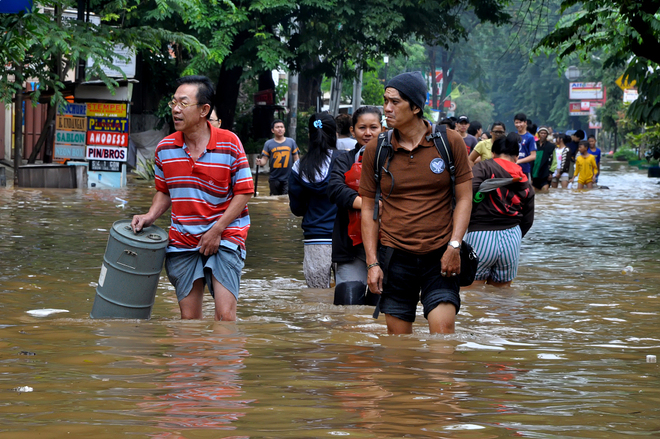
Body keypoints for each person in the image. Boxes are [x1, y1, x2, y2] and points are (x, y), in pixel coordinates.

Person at [131, 75, 253, 321]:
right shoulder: (164, 149)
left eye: (183, 103)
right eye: (173, 103)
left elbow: (244, 192)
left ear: (204, 110)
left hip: (226, 234)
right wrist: (149, 216)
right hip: (183, 240)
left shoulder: (230, 143)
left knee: (226, 318)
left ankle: (223, 359)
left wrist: (217, 230)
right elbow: (165, 191)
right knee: (189, 322)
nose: (175, 109)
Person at [359, 71, 473, 335]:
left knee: (442, 340)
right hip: (395, 257)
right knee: (397, 352)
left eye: (395, 102)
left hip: (441, 256)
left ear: (416, 107)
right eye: (385, 101)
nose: (386, 109)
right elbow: (368, 209)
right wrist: (372, 263)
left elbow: (465, 197)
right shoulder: (377, 150)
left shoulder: (449, 142)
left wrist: (455, 245)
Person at [327, 106, 383, 305]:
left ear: (382, 129)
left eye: (373, 127)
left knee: (383, 311)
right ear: (352, 131)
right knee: (348, 309)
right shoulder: (343, 160)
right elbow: (335, 190)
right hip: (350, 248)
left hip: (386, 247)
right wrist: (373, 206)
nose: (368, 133)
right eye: (362, 128)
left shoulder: (394, 161)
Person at [465, 132, 534, 287]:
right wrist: (513, 235)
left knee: (471, 293)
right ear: (516, 156)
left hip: (480, 236)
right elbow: (528, 219)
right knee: (502, 296)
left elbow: (467, 195)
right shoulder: (524, 179)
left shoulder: (484, 167)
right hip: (512, 238)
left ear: (493, 153)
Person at [289, 112, 340, 289]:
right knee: (348, 298)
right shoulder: (344, 160)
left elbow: (297, 208)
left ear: (310, 135)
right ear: (335, 134)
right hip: (344, 239)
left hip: (314, 240)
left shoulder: (298, 167)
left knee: (317, 299)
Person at [256, 119, 300, 195]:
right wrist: (260, 162)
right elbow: (264, 159)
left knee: (287, 198)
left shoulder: (291, 142)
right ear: (272, 130)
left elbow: (296, 158)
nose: (280, 129)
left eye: (282, 127)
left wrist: (299, 171)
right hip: (274, 178)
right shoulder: (268, 143)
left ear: (284, 129)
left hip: (288, 177)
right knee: (275, 200)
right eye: (277, 127)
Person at [531, 126, 556, 192]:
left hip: (545, 173)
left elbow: (554, 160)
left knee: (544, 191)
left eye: (545, 133)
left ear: (547, 135)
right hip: (534, 173)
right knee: (534, 192)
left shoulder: (551, 146)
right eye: (541, 133)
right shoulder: (534, 145)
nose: (543, 135)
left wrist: (551, 172)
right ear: (538, 134)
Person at [514, 113, 537, 179]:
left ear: (525, 123)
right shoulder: (513, 136)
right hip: (513, 169)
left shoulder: (530, 137)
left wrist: (518, 161)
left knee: (525, 188)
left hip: (524, 170)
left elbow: (533, 156)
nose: (518, 125)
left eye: (520, 122)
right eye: (516, 123)